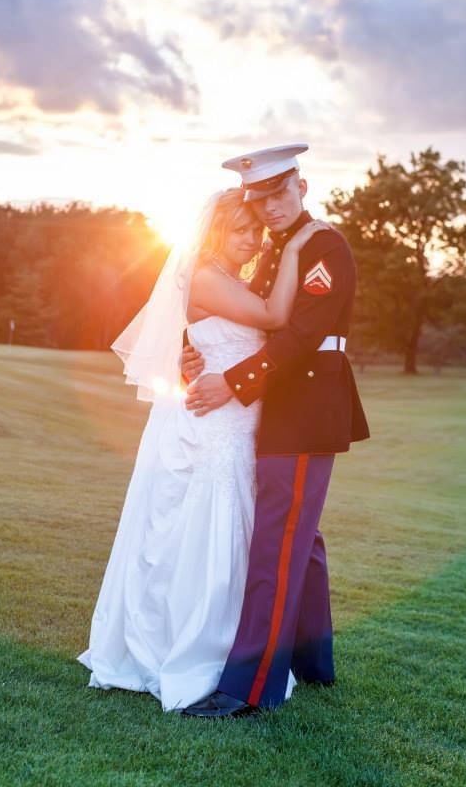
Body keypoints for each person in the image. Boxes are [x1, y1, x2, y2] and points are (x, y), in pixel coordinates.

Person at [78, 187, 327, 712]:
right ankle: (192, 647)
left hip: (235, 422)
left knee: (227, 529)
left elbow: (215, 340)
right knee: (203, 529)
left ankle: (235, 645)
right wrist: (297, 244)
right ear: (215, 231)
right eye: (239, 229)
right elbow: (276, 314)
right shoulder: (210, 278)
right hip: (213, 428)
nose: (252, 238)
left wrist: (194, 358)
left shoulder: (229, 278)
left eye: (255, 230)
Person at [180, 143, 370, 718]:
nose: (270, 209)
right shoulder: (277, 252)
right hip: (278, 407)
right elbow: (248, 321)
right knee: (300, 537)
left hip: (305, 410)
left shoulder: (322, 246)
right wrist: (200, 358)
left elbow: (299, 337)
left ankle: (247, 687)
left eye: (280, 194)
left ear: (302, 187)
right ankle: (314, 662)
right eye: (260, 201)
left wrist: (233, 382)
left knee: (278, 543)